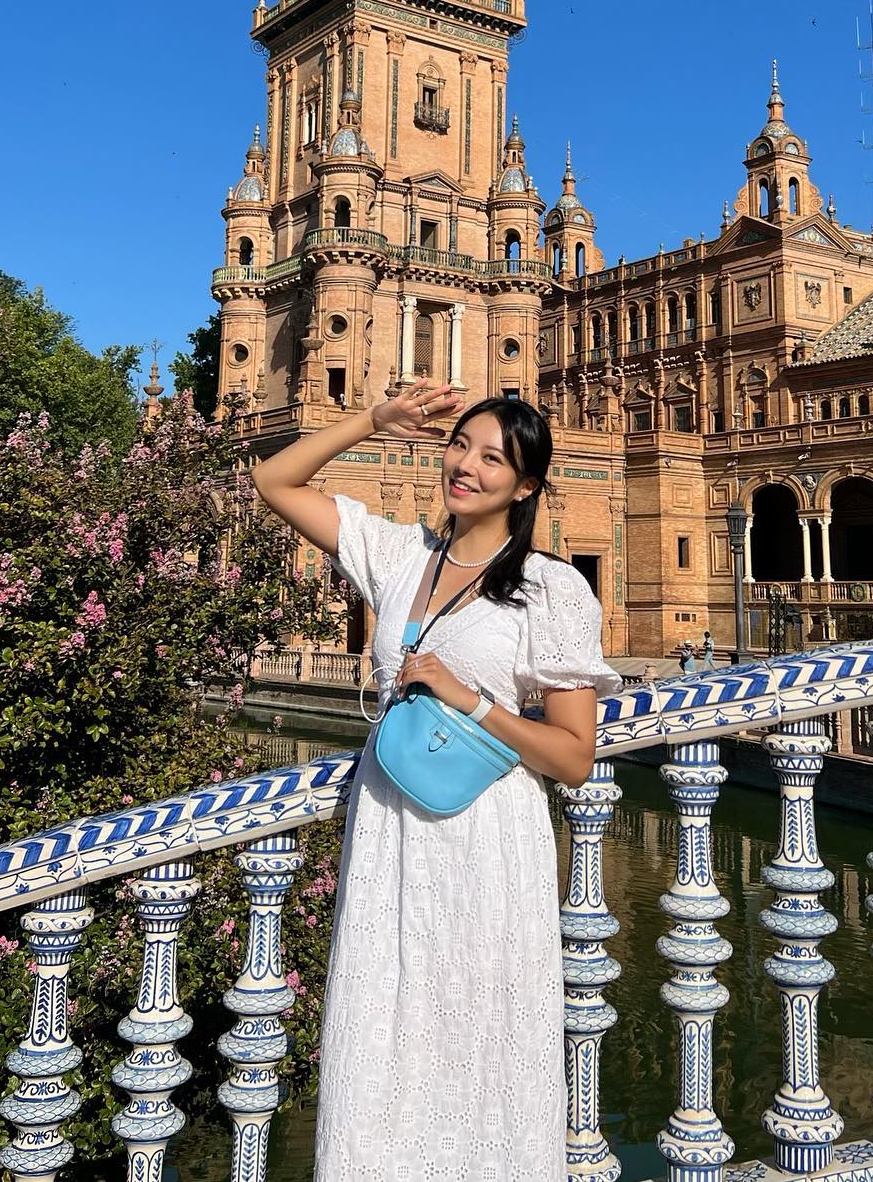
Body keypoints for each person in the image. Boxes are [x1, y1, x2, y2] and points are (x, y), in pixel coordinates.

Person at [252, 380, 619, 1182]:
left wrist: (469, 697)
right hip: (389, 833)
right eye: (460, 445)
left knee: (481, 1035)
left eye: (493, 458)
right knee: (381, 1028)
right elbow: (273, 479)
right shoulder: (398, 555)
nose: (467, 466)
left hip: (487, 837)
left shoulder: (552, 587)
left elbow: (572, 756)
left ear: (525, 486)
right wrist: (373, 419)